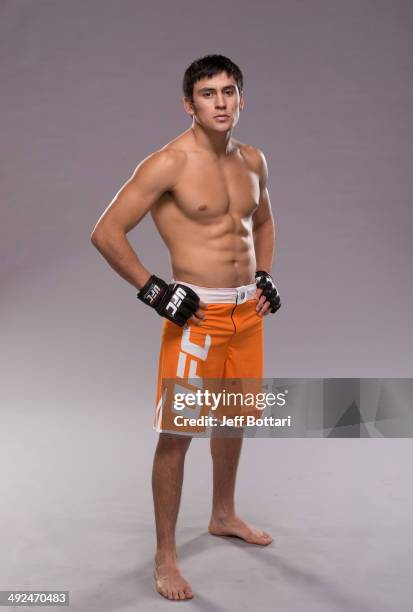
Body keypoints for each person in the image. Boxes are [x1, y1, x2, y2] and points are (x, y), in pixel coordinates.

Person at [90, 54, 281, 602]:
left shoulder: (253, 160)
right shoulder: (167, 163)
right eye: (207, 94)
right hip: (197, 318)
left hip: (247, 315)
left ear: (242, 98)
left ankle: (223, 514)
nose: (220, 103)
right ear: (188, 104)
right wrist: (155, 292)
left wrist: (265, 274)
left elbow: (262, 221)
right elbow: (106, 233)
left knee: (234, 418)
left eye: (228, 92)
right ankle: (165, 556)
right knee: (177, 435)